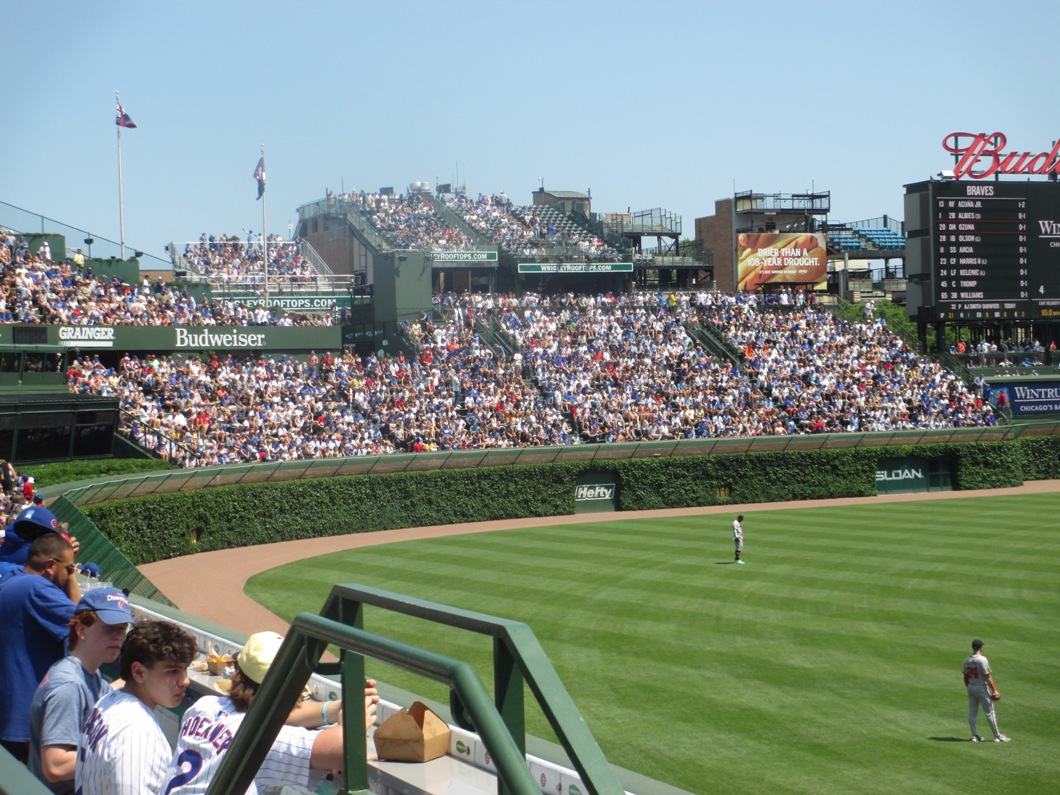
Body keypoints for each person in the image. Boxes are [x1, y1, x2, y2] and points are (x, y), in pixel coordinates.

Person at [166, 630, 380, 794]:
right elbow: (343, 749)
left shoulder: (203, 707)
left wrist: (334, 709)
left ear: (235, 675)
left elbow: (278, 713)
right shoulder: (265, 740)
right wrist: (353, 714)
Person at [28, 589, 133, 793]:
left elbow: (105, 692)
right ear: (82, 630)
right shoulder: (69, 685)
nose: (118, 636)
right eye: (109, 628)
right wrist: (121, 754)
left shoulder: (87, 673)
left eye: (122, 629)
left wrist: (141, 680)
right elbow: (55, 766)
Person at [76, 620, 198, 795]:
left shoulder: (108, 700)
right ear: (139, 672)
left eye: (185, 669)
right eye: (172, 671)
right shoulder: (139, 736)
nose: (184, 680)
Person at [0, 533, 81, 763]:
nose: (69, 574)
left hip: (10, 710)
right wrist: (73, 576)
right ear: (50, 566)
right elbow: (84, 622)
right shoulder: (38, 589)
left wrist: (68, 566)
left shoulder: (14, 577)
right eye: (69, 569)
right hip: (25, 719)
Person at [963, 638, 1010, 742]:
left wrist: (970, 688)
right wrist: (995, 690)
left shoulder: (967, 660)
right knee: (990, 712)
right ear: (981, 648)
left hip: (971, 687)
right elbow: (987, 676)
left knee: (972, 712)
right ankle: (997, 736)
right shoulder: (982, 659)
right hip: (981, 688)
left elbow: (965, 677)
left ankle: (975, 736)